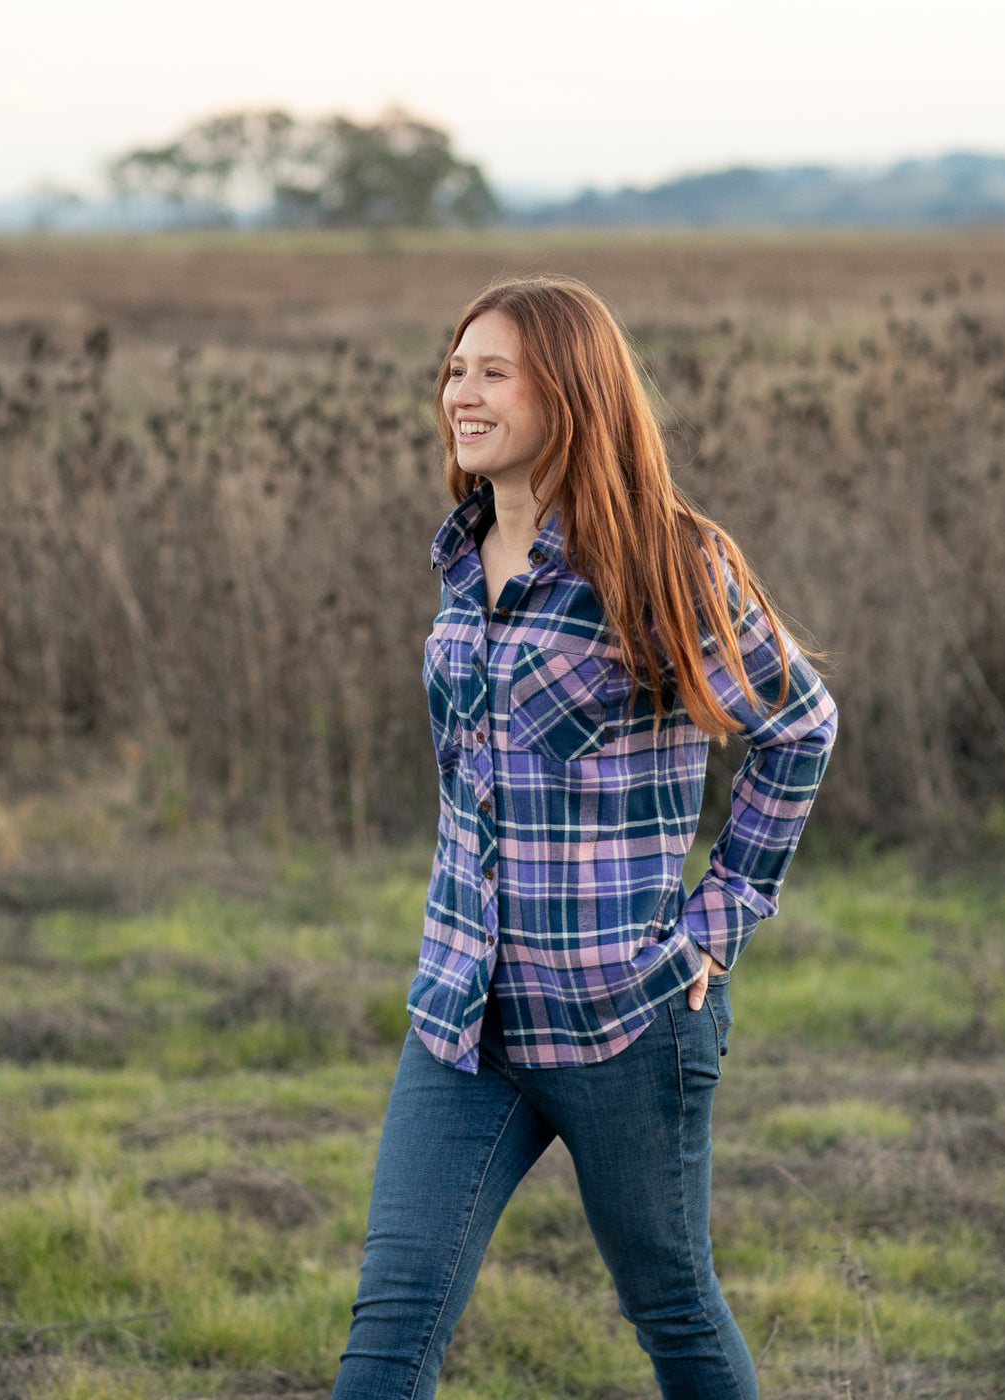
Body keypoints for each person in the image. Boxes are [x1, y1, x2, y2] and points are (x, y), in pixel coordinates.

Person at [331, 275, 837, 1400]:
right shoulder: (461, 562)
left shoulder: (667, 560)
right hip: (463, 1017)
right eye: (454, 368)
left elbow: (797, 726)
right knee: (388, 1323)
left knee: (672, 1308)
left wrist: (716, 920)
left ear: (568, 391)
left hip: (625, 1020)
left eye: (492, 370)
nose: (460, 393)